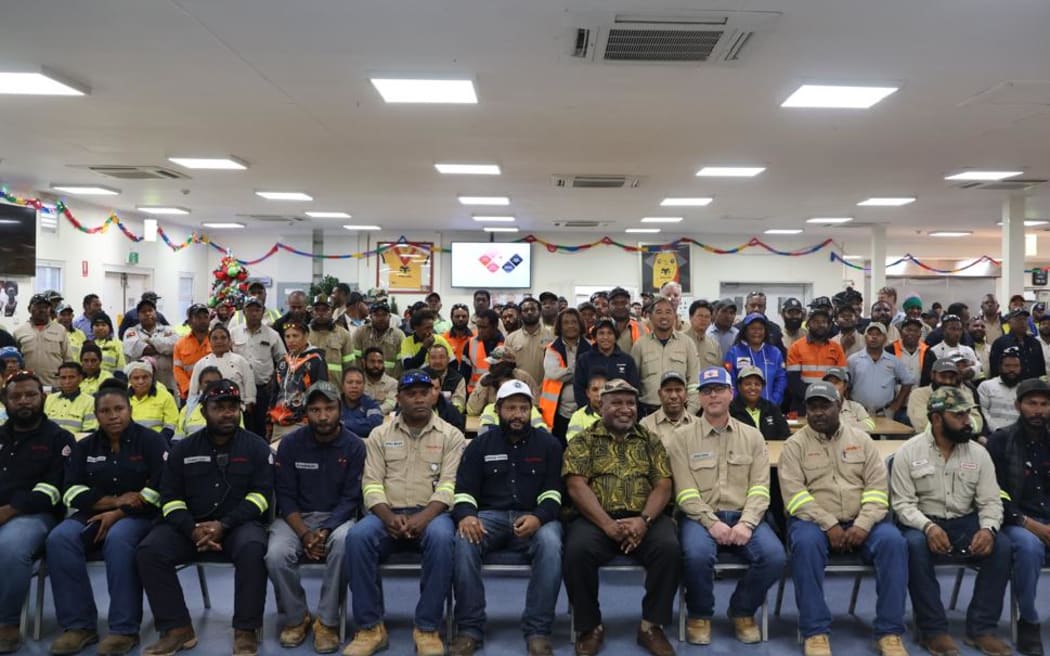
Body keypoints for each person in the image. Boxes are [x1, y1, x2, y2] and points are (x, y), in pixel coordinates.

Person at [136, 380, 272, 656]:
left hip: (238, 525)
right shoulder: (183, 449)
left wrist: (224, 525)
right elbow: (169, 498)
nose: (227, 413)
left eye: (232, 407)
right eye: (218, 407)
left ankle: (245, 630)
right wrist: (192, 528)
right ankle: (177, 629)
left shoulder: (257, 447)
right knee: (150, 551)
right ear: (203, 411)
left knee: (253, 548)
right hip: (190, 526)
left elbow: (261, 497)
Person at [777, 382, 908, 656]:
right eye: (812, 407)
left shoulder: (862, 441)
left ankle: (890, 632)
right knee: (805, 546)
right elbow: (795, 496)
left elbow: (877, 488)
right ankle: (815, 631)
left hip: (863, 521)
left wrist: (863, 523)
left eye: (825, 406)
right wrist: (829, 524)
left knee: (894, 543)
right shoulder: (794, 446)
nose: (818, 413)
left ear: (840, 406)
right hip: (813, 522)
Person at [343, 369, 465, 656]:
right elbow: (371, 484)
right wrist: (387, 517)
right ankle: (370, 628)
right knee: (357, 537)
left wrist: (424, 517)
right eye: (411, 394)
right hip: (387, 515)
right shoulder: (379, 435)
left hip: (433, 515)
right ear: (398, 398)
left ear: (434, 395)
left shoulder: (452, 435)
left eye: (424, 393)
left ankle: (426, 628)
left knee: (442, 538)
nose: (419, 399)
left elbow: (450, 485)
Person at [46, 379, 167, 656]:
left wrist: (119, 512)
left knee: (119, 540)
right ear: (96, 414)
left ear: (130, 410)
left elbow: (161, 487)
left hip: (141, 517)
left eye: (119, 409)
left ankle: (124, 629)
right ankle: (80, 626)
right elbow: (71, 490)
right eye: (105, 411)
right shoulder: (85, 446)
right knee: (59, 539)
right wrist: (113, 502)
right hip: (94, 514)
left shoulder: (151, 441)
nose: (113, 416)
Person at [890, 387, 1012, 656]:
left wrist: (988, 529)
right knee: (913, 546)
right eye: (958, 415)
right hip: (921, 522)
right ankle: (932, 631)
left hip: (965, 521)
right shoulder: (908, 452)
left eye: (968, 414)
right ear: (936, 419)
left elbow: (991, 501)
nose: (967, 421)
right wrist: (928, 526)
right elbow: (902, 504)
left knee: (1002, 546)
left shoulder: (979, 454)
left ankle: (982, 629)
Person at [562, 378, 679, 656]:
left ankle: (651, 626)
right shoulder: (583, 440)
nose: (625, 408)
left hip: (644, 518)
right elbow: (576, 485)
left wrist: (644, 521)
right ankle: (590, 627)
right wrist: (607, 525)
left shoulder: (650, 440)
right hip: (596, 519)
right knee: (576, 552)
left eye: (630, 403)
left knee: (670, 549)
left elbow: (664, 484)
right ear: (601, 405)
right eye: (616, 402)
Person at [668, 367, 784, 646]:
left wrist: (747, 522)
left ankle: (742, 611)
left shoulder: (753, 437)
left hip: (745, 516)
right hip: (699, 518)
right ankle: (699, 614)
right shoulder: (681, 438)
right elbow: (684, 493)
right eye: (707, 391)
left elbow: (760, 489)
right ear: (699, 398)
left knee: (775, 557)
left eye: (719, 389)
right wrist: (712, 523)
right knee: (695, 556)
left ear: (731, 394)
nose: (713, 395)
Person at [449, 380, 564, 656]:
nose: (517, 414)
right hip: (490, 518)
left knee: (551, 545)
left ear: (531, 411)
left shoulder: (548, 444)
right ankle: (469, 629)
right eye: (511, 408)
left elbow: (554, 493)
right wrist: (466, 516)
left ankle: (538, 630)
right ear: (498, 409)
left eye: (523, 408)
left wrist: (538, 517)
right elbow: (464, 491)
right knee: (463, 541)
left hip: (535, 518)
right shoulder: (480, 445)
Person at [266, 380, 365, 653]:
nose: (323, 416)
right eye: (316, 409)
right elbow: (284, 495)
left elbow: (351, 497)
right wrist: (305, 533)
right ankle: (297, 618)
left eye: (329, 408)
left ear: (340, 409)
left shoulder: (355, 446)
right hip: (296, 519)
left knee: (345, 544)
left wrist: (326, 530)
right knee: (275, 555)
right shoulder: (290, 444)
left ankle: (328, 622)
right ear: (306, 413)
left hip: (338, 518)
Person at [0, 371, 75, 653]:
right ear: (5, 401)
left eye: (30, 395)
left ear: (43, 397)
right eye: (15, 396)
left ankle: (7, 623)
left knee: (9, 547)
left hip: (36, 516)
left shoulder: (59, 438)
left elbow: (55, 488)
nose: (23, 401)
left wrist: (10, 510)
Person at [987, 378, 1050, 656]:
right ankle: (1029, 621)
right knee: (1029, 547)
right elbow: (995, 493)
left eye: (1045, 404)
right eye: (1032, 403)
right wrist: (1030, 524)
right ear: (1018, 406)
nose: (1038, 410)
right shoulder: (1001, 440)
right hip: (1016, 520)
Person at [632, 296, 700, 416]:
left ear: (675, 316)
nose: (664, 316)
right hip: (648, 412)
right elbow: (633, 383)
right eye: (658, 312)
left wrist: (690, 413)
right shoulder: (640, 345)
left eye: (668, 312)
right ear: (650, 317)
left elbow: (694, 382)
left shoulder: (687, 343)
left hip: (680, 412)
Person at [231, 296, 287, 436]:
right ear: (244, 312)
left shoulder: (272, 335)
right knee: (243, 426)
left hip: (264, 389)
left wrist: (275, 379)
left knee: (263, 426)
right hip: (240, 389)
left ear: (263, 312)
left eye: (257, 310)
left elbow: (283, 359)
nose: (254, 313)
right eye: (250, 310)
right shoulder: (233, 333)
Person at [270, 321, 328, 441]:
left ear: (306, 336)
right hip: (279, 420)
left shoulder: (315, 360)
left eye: (295, 336)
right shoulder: (282, 362)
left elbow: (320, 392)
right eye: (287, 336)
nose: (291, 340)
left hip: (302, 421)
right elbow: (275, 392)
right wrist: (269, 418)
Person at [538, 308, 589, 440]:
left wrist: (568, 373)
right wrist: (579, 369)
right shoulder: (552, 349)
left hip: (585, 409)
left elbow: (592, 376)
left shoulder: (591, 347)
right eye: (566, 322)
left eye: (574, 322)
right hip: (558, 412)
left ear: (580, 324)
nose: (570, 325)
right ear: (560, 326)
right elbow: (554, 374)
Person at [786, 305, 846, 414]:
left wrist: (827, 396)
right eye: (816, 321)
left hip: (829, 403)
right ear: (808, 324)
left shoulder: (836, 347)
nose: (821, 325)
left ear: (829, 325)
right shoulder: (796, 347)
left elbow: (843, 378)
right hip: (803, 404)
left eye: (824, 321)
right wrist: (814, 396)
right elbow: (793, 380)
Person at [847, 322, 915, 419]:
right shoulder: (853, 360)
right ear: (865, 338)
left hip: (884, 413)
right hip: (858, 412)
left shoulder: (893, 361)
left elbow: (908, 381)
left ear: (885, 338)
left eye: (878, 334)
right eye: (870, 334)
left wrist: (897, 403)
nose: (874, 337)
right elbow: (846, 385)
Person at [188, 324, 256, 413]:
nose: (219, 341)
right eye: (215, 338)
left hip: (237, 410)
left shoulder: (241, 361)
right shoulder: (201, 364)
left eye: (223, 338)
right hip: (209, 412)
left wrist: (247, 408)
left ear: (229, 341)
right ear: (209, 342)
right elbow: (193, 394)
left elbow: (249, 388)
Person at [723, 312, 787, 407]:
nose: (757, 332)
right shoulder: (734, 352)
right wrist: (738, 404)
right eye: (752, 328)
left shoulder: (775, 352)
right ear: (745, 331)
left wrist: (774, 401)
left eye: (760, 329)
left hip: (770, 407)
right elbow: (729, 380)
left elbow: (781, 379)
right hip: (741, 410)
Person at [573, 318, 641, 408]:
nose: (605, 337)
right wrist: (588, 410)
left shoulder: (627, 360)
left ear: (615, 336)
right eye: (601, 333)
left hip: (619, 412)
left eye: (610, 333)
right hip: (591, 413)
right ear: (595, 337)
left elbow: (634, 388)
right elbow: (578, 388)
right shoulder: (584, 359)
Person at [907, 359, 983, 433]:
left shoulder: (964, 393)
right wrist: (959, 424)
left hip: (963, 441)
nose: (947, 381)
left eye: (951, 377)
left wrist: (948, 424)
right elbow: (923, 426)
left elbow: (977, 424)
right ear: (932, 375)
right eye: (943, 376)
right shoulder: (919, 394)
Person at [123, 297, 178, 394]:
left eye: (150, 310)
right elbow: (137, 349)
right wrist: (163, 347)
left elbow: (175, 346)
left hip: (167, 382)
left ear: (155, 313)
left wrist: (150, 340)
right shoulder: (131, 331)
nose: (147, 314)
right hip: (140, 385)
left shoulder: (168, 330)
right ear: (138, 316)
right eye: (143, 311)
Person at [13, 293, 70, 387]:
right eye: (38, 306)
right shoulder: (19, 332)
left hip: (55, 385)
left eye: (45, 307)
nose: (42, 310)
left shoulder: (60, 330)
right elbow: (16, 362)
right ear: (29, 309)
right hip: (28, 385)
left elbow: (68, 359)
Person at [729, 365, 791, 440]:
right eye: (748, 384)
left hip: (772, 450)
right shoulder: (730, 410)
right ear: (739, 386)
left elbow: (785, 436)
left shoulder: (772, 408)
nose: (753, 388)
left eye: (757, 384)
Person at [639, 371, 697, 447]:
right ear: (659, 394)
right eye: (668, 390)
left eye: (678, 390)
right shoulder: (646, 426)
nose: (673, 396)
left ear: (686, 394)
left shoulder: (698, 425)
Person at [505, 298, 553, 386]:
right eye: (526, 310)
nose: (529, 312)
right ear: (519, 314)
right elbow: (507, 367)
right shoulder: (510, 338)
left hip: (546, 389)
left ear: (540, 312)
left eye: (533, 309)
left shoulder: (552, 337)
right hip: (519, 389)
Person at [126, 361, 178, 442]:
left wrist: (158, 441)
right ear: (129, 380)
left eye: (145, 377)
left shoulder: (165, 396)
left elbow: (171, 424)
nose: (141, 381)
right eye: (136, 378)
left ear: (152, 378)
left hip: (158, 441)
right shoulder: (122, 398)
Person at [352, 300, 406, 378]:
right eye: (377, 315)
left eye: (384, 315)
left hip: (390, 383)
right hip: (365, 382)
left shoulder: (398, 335)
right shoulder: (360, 333)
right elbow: (355, 360)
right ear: (370, 316)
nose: (381, 318)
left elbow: (400, 365)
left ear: (390, 316)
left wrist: (392, 383)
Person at [991, 308, 1046, 381]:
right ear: (1009, 322)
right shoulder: (1000, 342)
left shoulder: (1035, 342)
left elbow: (1041, 367)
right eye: (1019, 319)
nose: (1023, 322)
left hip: (1033, 386)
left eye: (1025, 319)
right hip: (1010, 386)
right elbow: (995, 369)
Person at [309, 294, 355, 380]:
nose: (321, 313)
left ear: (332, 311)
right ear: (312, 312)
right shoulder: (305, 334)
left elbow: (350, 366)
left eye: (325, 310)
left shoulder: (344, 334)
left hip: (335, 389)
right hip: (310, 388)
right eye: (317, 310)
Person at [172, 304, 212, 401]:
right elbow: (177, 369)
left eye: (205, 317)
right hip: (189, 395)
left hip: (214, 393)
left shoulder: (217, 339)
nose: (203, 320)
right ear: (189, 322)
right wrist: (190, 388)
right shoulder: (180, 344)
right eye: (198, 317)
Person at [978, 347, 1024, 432]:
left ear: (1021, 368)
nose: (1012, 370)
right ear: (1000, 367)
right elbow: (983, 412)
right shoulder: (986, 386)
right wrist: (998, 431)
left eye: (1016, 366)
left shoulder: (1024, 389)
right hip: (992, 435)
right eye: (1007, 366)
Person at [44, 361, 97, 434]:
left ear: (80, 378)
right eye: (63, 378)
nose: (67, 381)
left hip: (76, 444)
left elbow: (89, 432)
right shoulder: (49, 399)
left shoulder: (90, 402)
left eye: (71, 377)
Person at [398, 308, 454, 373]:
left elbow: (452, 363)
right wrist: (424, 348)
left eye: (432, 328)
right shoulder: (407, 342)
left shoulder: (439, 339)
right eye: (427, 328)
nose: (430, 332)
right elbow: (408, 366)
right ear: (416, 327)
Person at [175, 366, 224, 440]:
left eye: (215, 383)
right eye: (207, 383)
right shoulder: (188, 408)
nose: (211, 386)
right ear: (200, 385)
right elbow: (178, 437)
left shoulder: (230, 408)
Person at [462, 309, 504, 394]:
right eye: (478, 327)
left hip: (499, 393)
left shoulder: (506, 343)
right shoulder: (470, 343)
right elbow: (464, 373)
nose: (480, 331)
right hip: (475, 393)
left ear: (495, 326)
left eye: (484, 327)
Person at [821, 367, 876, 432]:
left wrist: (846, 429)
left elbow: (870, 425)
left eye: (835, 383)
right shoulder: (817, 407)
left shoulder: (855, 407)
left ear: (845, 386)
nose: (832, 387)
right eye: (829, 383)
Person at [930, 314, 981, 382]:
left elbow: (977, 370)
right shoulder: (933, 351)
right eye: (952, 329)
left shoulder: (968, 350)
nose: (957, 333)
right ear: (943, 330)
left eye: (959, 329)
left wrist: (970, 371)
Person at [889, 317, 937, 388]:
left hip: (920, 396)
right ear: (901, 332)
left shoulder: (928, 353)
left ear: (920, 334)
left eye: (915, 331)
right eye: (908, 330)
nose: (911, 333)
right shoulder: (890, 350)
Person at [339, 367, 383, 438]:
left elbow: (375, 423)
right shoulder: (334, 402)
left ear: (364, 385)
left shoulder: (370, 403)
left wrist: (343, 424)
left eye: (358, 382)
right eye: (350, 382)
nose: (354, 386)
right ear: (342, 385)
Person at [425, 343, 466, 413]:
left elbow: (459, 406)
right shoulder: (421, 376)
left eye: (442, 357)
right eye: (433, 358)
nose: (437, 361)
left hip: (449, 418)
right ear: (428, 360)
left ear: (448, 359)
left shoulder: (458, 379)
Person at [567, 369, 606, 442]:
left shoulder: (618, 415)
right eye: (595, 390)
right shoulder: (578, 417)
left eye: (603, 389)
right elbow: (574, 445)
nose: (599, 394)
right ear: (588, 393)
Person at [685, 300, 724, 371]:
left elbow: (718, 371)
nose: (703, 319)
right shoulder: (679, 340)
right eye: (700, 316)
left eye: (707, 317)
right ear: (690, 317)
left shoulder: (715, 346)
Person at [608, 287, 647, 354]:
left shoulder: (641, 328)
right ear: (608, 306)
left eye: (623, 303)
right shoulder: (599, 329)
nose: (620, 307)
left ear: (630, 305)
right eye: (615, 303)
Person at [362, 346, 398, 415]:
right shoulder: (358, 382)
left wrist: (372, 412)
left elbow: (390, 405)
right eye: (372, 361)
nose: (376, 365)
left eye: (380, 362)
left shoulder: (393, 383)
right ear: (364, 363)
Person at [443, 303, 474, 368]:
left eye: (464, 316)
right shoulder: (443, 339)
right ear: (451, 318)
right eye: (457, 316)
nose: (461, 319)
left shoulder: (475, 338)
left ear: (468, 318)